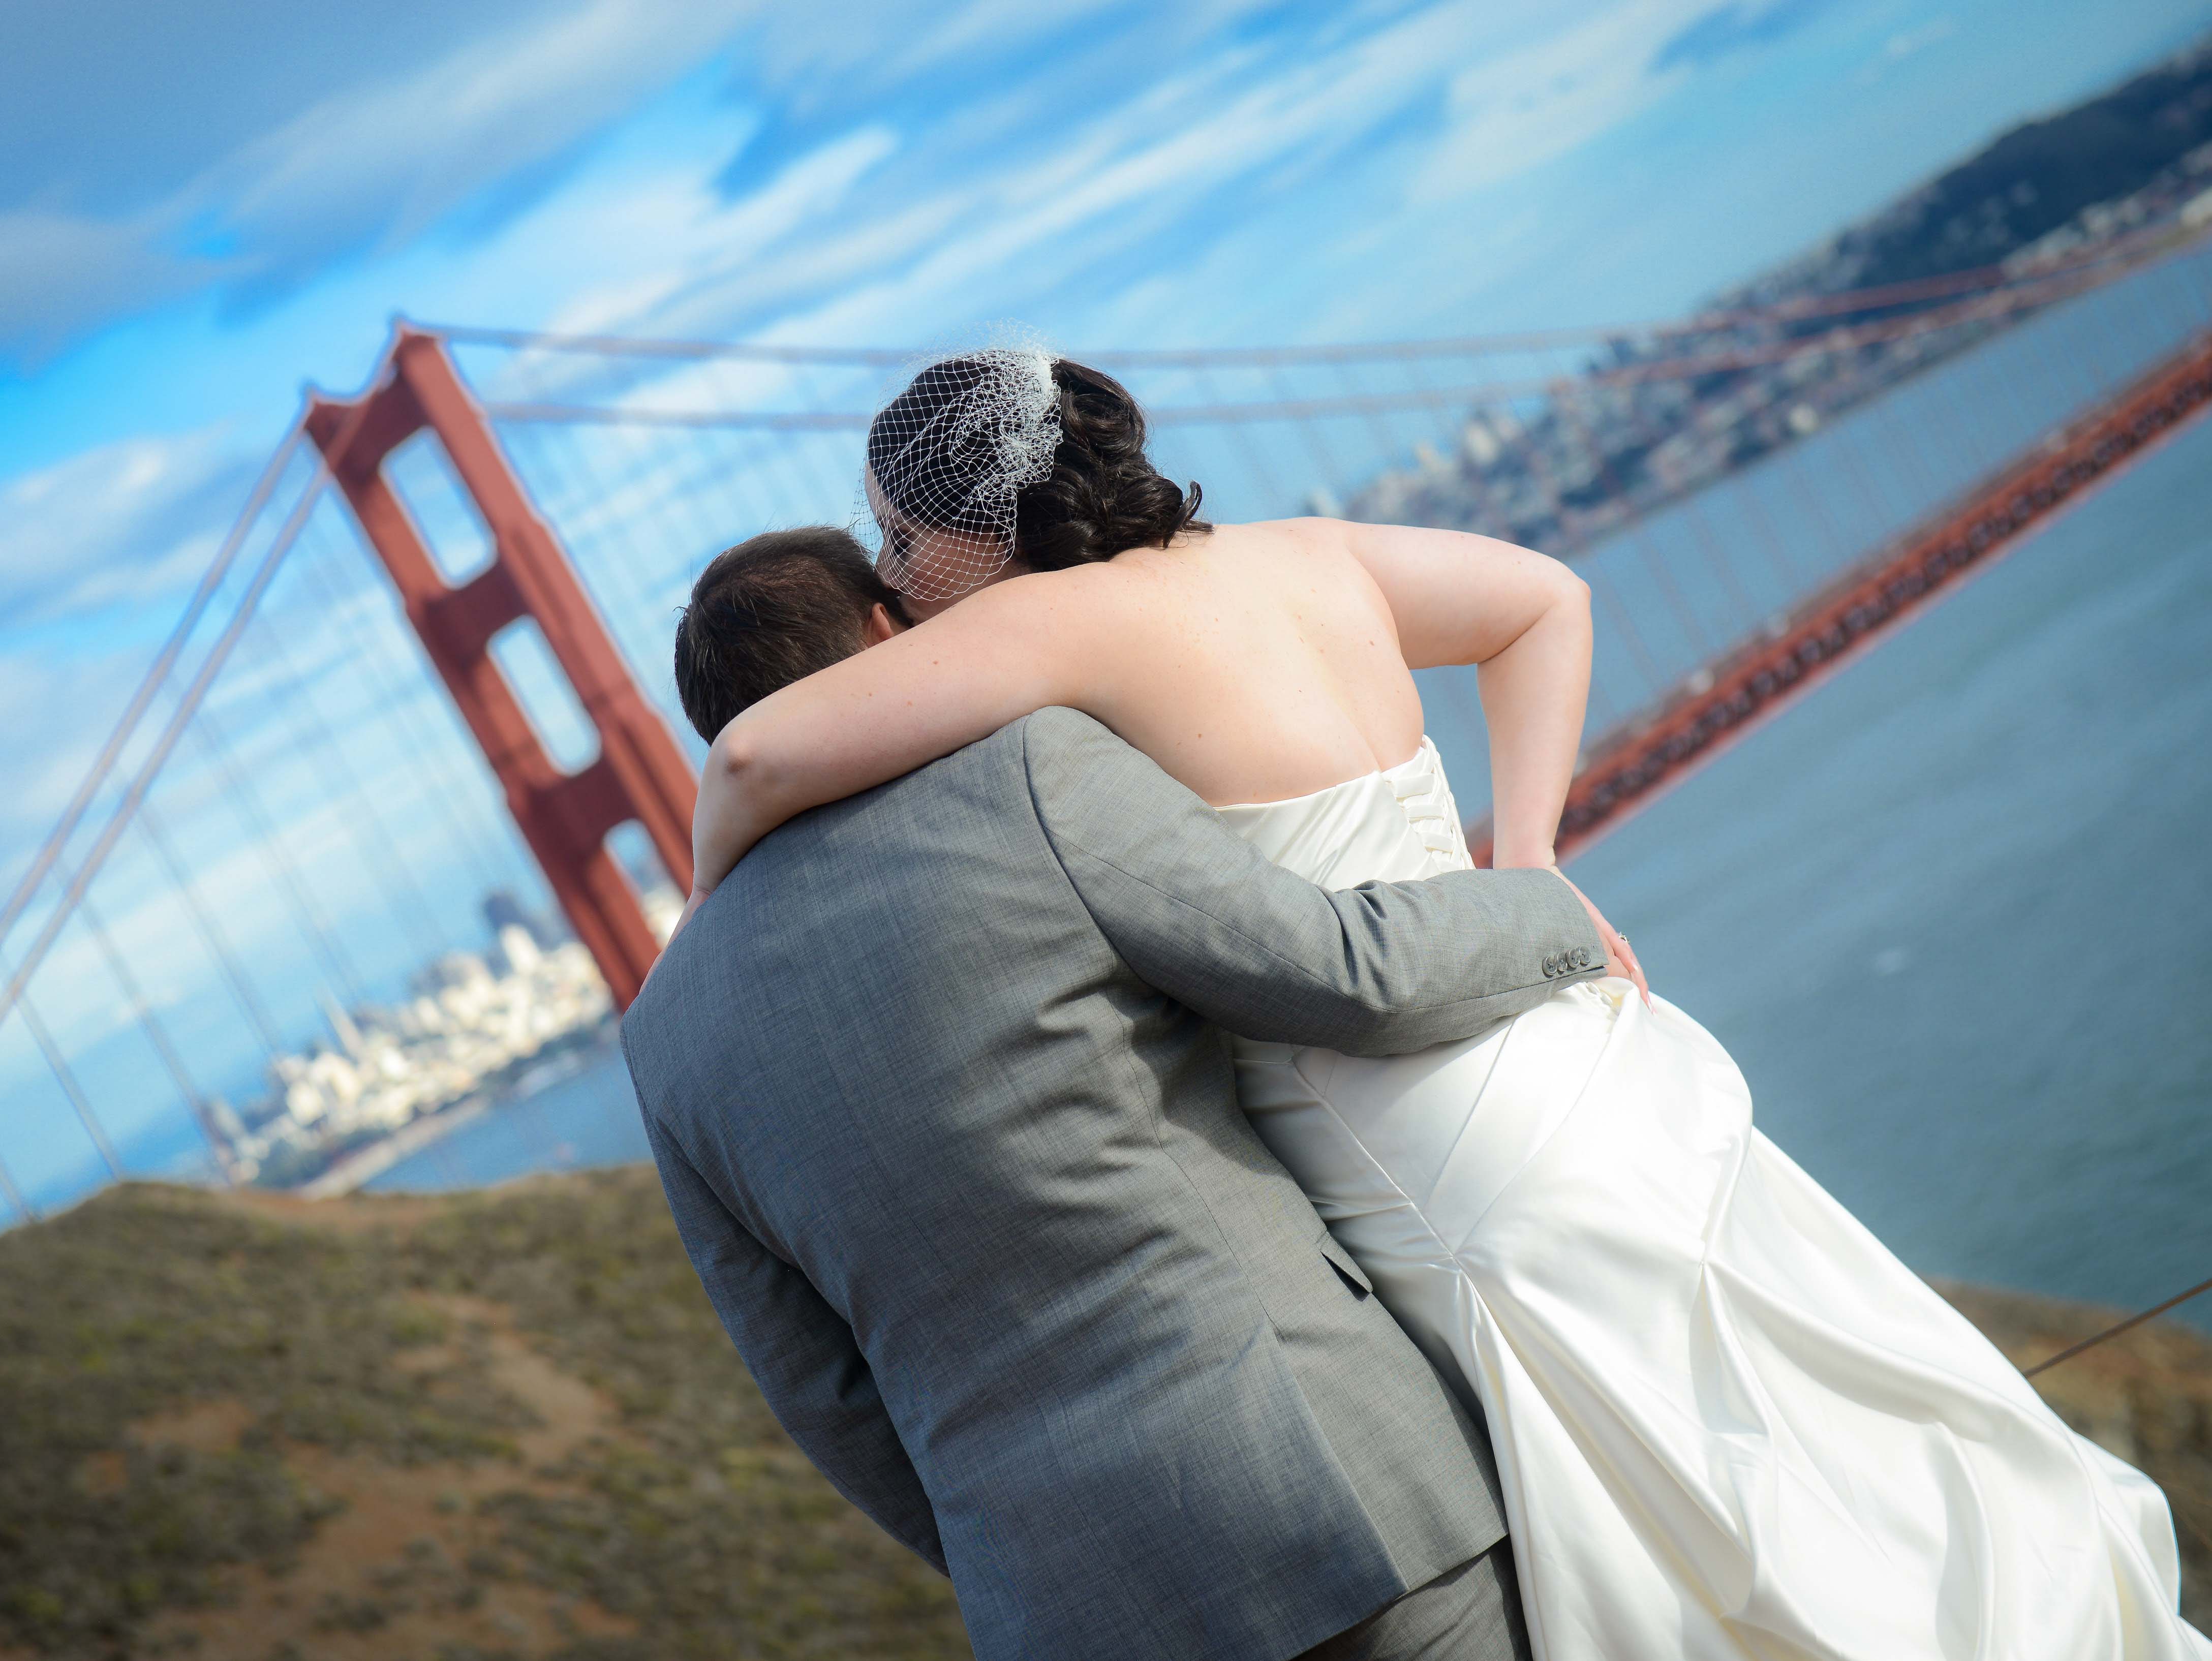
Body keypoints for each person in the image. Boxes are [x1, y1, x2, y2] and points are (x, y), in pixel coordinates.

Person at [683, 348, 2211, 1660]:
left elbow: (753, 756)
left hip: (1414, 1138)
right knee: (1816, 1429)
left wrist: (707, 916)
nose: (892, 579)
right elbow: (1546, 599)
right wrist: (1527, 858)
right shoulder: (1305, 552)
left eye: (899, 539)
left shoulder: (1047, 631)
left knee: (1700, 1531)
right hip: (1584, 1054)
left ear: (978, 525)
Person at [629, 524, 1613, 1660]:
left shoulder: (664, 1039)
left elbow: (825, 1400)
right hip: (1330, 1484)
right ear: (887, 636)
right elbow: (1341, 973)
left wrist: (1032, 1549)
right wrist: (1549, 911)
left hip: (1066, 1609)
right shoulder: (1027, 775)